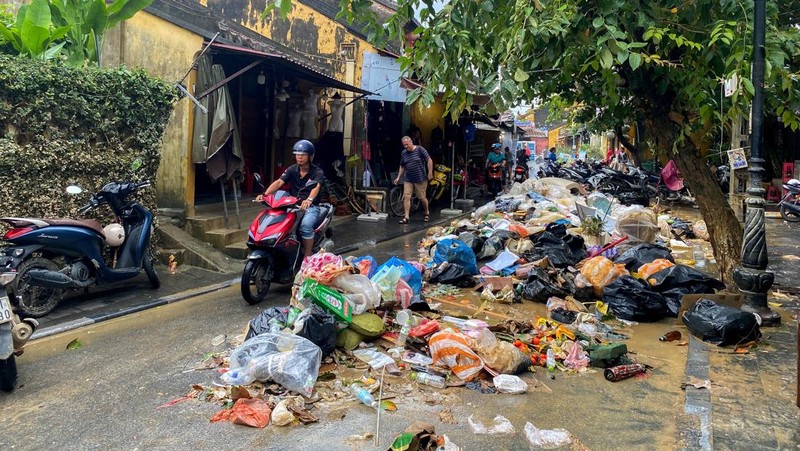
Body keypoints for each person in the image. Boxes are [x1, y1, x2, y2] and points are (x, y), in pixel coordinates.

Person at [257, 140, 324, 260]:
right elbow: (279, 182)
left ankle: (308, 254)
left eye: (303, 154)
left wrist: (309, 200)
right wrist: (265, 195)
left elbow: (316, 186)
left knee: (305, 226)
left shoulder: (317, 171)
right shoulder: (292, 169)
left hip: (310, 207)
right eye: (297, 154)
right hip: (292, 204)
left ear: (310, 156)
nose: (299, 157)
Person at [394, 136, 433, 224]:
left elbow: (429, 160)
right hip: (408, 179)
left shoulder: (420, 150)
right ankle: (406, 217)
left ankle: (426, 212)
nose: (406, 147)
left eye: (407, 144)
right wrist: (398, 177)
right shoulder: (404, 153)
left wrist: (430, 172)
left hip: (420, 178)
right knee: (407, 196)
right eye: (404, 145)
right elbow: (402, 166)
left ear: (411, 142)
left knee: (422, 197)